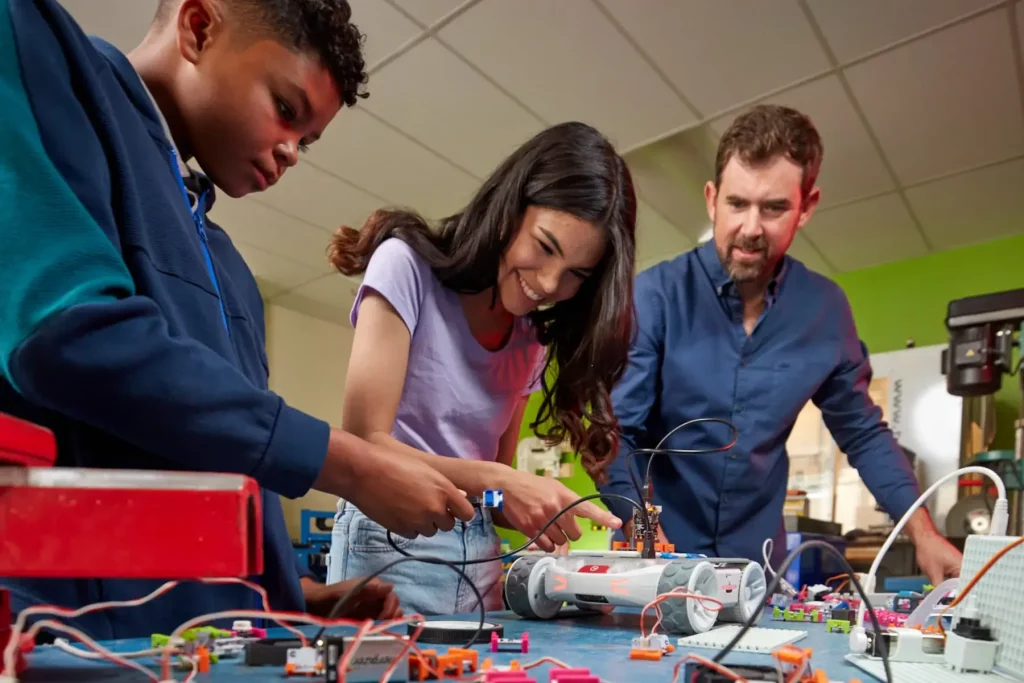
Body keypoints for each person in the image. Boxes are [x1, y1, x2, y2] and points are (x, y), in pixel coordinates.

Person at [0, 0, 475, 640]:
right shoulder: (37, 47)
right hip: (70, 636)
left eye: (306, 141)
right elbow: (64, 335)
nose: (291, 154)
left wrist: (289, 599)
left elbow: (219, 464)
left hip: (206, 646)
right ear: (199, 27)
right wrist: (350, 466)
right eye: (286, 110)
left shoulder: (227, 269)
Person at [599, 104, 963, 585]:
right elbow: (615, 432)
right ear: (711, 199)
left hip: (755, 572)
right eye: (737, 204)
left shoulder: (825, 312)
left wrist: (923, 534)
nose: (751, 227)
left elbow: (863, 434)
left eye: (774, 208)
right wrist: (641, 527)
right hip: (653, 565)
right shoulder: (657, 295)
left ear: (806, 206)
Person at [324, 122, 635, 614]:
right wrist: (500, 482)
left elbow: (488, 497)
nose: (550, 284)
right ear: (509, 210)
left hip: (480, 569)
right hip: (386, 548)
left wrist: (539, 527)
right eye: (545, 247)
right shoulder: (404, 266)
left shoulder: (531, 339)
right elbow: (362, 446)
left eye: (577, 273)